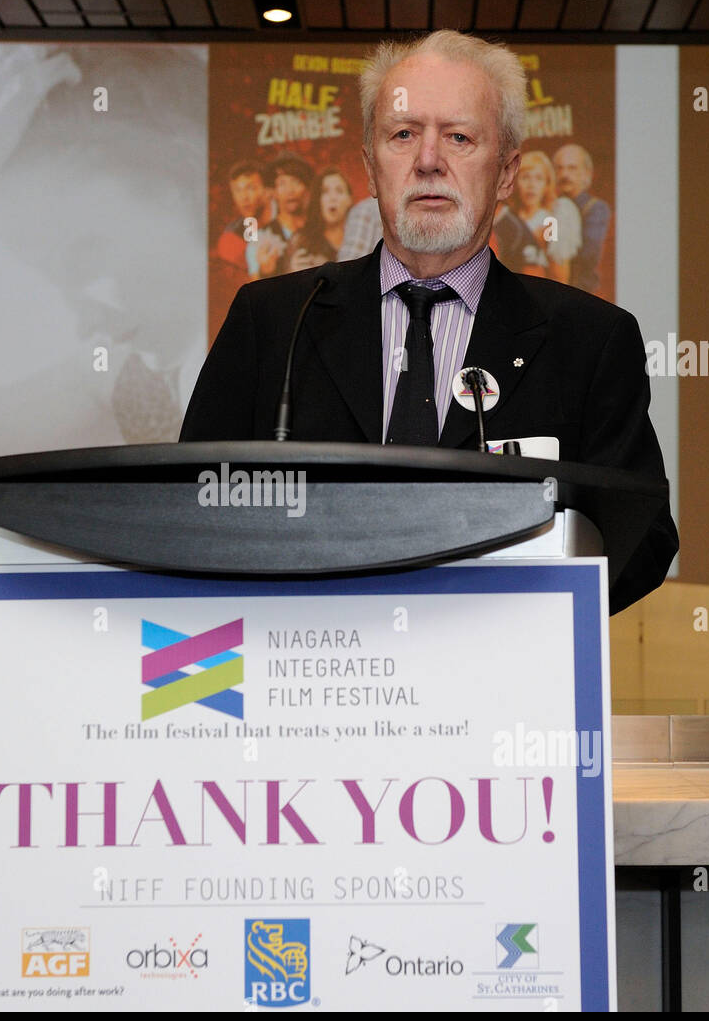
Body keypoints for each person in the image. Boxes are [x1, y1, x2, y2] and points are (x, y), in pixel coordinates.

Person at [180, 30, 678, 613]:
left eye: (460, 137)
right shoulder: (273, 321)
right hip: (308, 668)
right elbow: (192, 507)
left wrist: (529, 618)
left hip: (500, 680)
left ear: (508, 173)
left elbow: (642, 537)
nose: (428, 161)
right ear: (371, 166)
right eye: (403, 134)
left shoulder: (590, 340)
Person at [512, 150, 581, 284]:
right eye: (525, 177)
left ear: (546, 185)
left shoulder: (552, 220)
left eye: (538, 178)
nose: (531, 185)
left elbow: (561, 278)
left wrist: (544, 244)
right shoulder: (508, 218)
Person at [552, 143, 611, 295]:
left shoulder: (596, 209)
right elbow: (548, 241)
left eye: (572, 168)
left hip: (584, 293)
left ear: (587, 173)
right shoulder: (551, 209)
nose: (564, 174)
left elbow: (589, 255)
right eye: (559, 168)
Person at [253, 153, 314, 279]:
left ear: (307, 188)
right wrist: (265, 272)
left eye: (296, 182)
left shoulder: (320, 231)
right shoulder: (260, 239)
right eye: (282, 184)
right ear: (273, 192)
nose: (290, 190)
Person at [215, 160, 275, 278]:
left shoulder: (289, 219)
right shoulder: (231, 238)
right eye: (238, 190)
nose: (244, 197)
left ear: (268, 191)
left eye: (251, 188)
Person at [286, 167, 354, 269]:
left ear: (349, 200)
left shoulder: (361, 236)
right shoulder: (301, 240)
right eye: (325, 192)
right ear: (318, 200)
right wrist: (292, 272)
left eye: (339, 191)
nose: (332, 198)